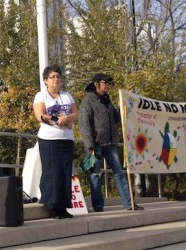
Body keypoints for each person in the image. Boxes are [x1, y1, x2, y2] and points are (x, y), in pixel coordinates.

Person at [79, 73, 143, 212]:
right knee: (95, 174)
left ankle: (129, 203)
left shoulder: (107, 100)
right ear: (97, 84)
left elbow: (115, 118)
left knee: (119, 172)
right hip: (95, 144)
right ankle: (98, 206)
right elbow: (84, 124)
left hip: (110, 143)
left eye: (108, 83)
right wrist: (89, 145)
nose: (108, 85)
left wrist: (121, 105)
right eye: (105, 82)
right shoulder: (88, 101)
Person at [33, 64, 78, 219]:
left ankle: (63, 207)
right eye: (52, 77)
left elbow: (75, 113)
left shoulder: (67, 95)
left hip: (66, 139)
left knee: (65, 173)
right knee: (52, 172)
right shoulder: (41, 95)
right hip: (49, 138)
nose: (56, 79)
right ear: (46, 80)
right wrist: (59, 121)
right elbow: (40, 115)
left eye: (58, 76)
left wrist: (67, 119)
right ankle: (52, 206)